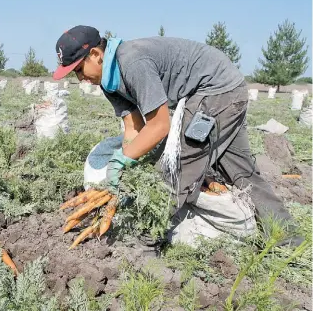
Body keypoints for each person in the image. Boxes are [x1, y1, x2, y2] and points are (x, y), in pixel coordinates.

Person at [52, 25, 302, 247]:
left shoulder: (131, 62)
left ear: (95, 54)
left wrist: (120, 160)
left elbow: (160, 125)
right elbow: (133, 128)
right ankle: (289, 239)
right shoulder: (109, 81)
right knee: (240, 170)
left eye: (79, 69)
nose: (80, 78)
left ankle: (148, 235)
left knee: (177, 166)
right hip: (224, 90)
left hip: (216, 91)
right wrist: (124, 170)